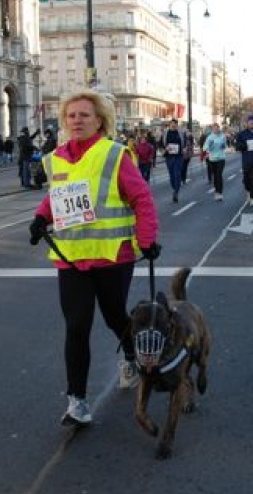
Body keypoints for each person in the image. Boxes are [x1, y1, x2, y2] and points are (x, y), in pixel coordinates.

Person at [28, 89, 159, 427]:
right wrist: (41, 218)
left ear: (100, 120)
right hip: (71, 258)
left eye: (84, 115)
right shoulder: (56, 158)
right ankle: (77, 401)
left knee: (116, 317)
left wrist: (146, 239)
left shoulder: (114, 155)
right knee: (76, 327)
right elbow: (56, 197)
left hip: (112, 256)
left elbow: (141, 198)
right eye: (71, 115)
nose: (77, 120)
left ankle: (130, 353)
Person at [203, 122, 228, 200]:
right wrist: (208, 149)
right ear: (212, 129)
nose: (215, 129)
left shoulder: (222, 136)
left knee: (219, 175)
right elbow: (205, 147)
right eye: (214, 128)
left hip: (221, 158)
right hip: (212, 159)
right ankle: (216, 192)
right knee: (215, 176)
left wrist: (223, 146)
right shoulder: (209, 137)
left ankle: (219, 193)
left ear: (218, 128)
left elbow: (225, 146)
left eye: (216, 128)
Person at [162, 118, 185, 202]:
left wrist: (184, 149)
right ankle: (174, 188)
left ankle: (176, 192)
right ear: (170, 124)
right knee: (171, 175)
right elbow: (161, 143)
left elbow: (184, 142)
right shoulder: (165, 133)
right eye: (172, 124)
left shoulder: (180, 133)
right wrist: (164, 149)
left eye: (175, 124)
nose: (173, 125)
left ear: (177, 125)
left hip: (178, 156)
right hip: (169, 156)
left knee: (177, 174)